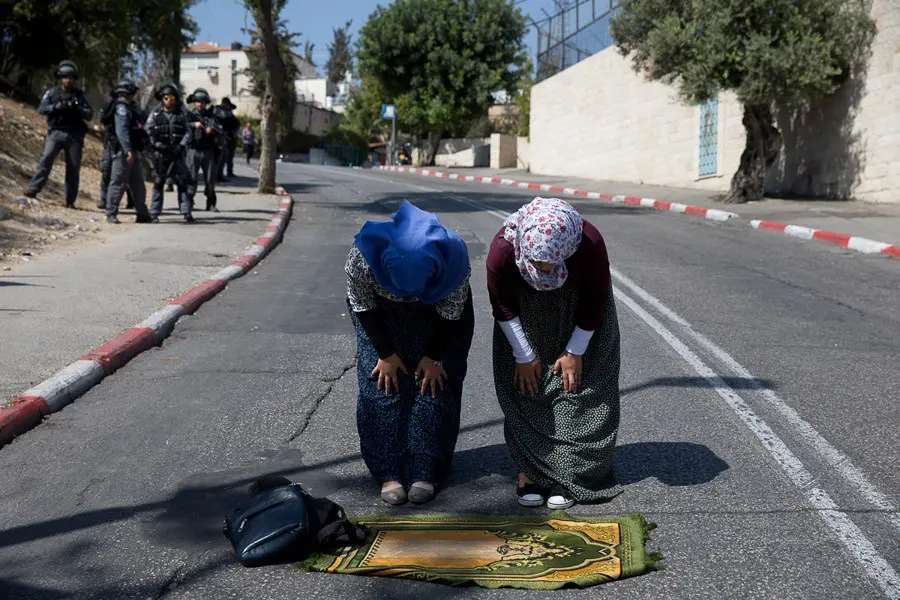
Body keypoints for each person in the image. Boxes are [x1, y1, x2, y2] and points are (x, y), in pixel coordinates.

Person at [486, 197, 623, 510]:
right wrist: (523, 355)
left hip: (580, 311)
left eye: (553, 263)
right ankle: (530, 471)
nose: (545, 270)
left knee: (579, 388)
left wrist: (575, 350)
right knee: (529, 388)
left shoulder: (588, 243)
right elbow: (502, 303)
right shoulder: (503, 249)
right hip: (525, 314)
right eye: (537, 263)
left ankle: (570, 473)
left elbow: (596, 297)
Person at [346, 201, 474, 506]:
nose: (409, 297)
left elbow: (451, 309)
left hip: (441, 316)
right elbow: (362, 303)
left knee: (434, 385)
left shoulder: (453, 259)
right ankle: (388, 472)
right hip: (380, 313)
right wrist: (386, 353)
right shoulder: (362, 258)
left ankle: (425, 470)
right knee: (381, 386)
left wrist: (433, 357)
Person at [19, 60, 93, 209]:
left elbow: (89, 114)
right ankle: (33, 190)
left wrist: (77, 108)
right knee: (46, 159)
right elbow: (41, 109)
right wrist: (56, 107)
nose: (68, 80)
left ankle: (70, 201)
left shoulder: (79, 95)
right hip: (56, 132)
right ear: (60, 78)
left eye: (70, 77)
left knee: (73, 167)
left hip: (74, 135)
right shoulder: (52, 92)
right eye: (65, 77)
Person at [145, 83, 198, 223]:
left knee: (182, 183)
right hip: (160, 155)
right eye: (166, 97)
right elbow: (147, 131)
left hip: (178, 154)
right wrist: (158, 145)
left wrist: (181, 146)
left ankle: (186, 212)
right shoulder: (155, 114)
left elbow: (187, 131)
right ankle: (155, 212)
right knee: (158, 183)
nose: (169, 100)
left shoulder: (181, 113)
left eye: (172, 97)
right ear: (162, 99)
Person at [101, 80, 152, 224]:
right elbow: (121, 131)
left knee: (137, 184)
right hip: (123, 151)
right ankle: (111, 213)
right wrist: (128, 150)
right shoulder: (121, 108)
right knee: (118, 182)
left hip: (131, 150)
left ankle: (142, 214)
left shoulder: (129, 108)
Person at [185, 88, 223, 212]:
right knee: (191, 178)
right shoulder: (189, 114)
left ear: (205, 103)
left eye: (202, 102)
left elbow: (219, 129)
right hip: (193, 150)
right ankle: (189, 202)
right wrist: (193, 125)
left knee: (210, 180)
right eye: (197, 101)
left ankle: (211, 203)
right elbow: (182, 126)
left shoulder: (211, 115)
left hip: (208, 151)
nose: (200, 104)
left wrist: (211, 129)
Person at [214, 97, 240, 181]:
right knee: (220, 157)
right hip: (219, 137)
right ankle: (218, 175)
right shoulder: (217, 111)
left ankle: (221, 174)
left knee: (225, 157)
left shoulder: (228, 113)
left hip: (228, 137)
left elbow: (235, 123)